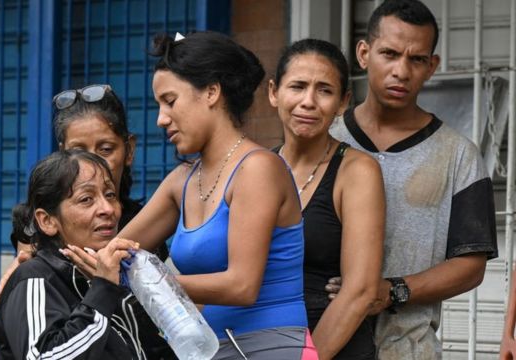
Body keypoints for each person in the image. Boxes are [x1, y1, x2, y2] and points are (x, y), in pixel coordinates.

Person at [105, 31, 313, 359]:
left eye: (170, 101)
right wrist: (34, 255)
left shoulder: (258, 168)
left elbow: (242, 286)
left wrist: (152, 283)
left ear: (212, 92)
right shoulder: (182, 181)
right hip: (210, 349)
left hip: (270, 347)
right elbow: (110, 255)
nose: (161, 119)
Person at [327, 0, 499, 358]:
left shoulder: (459, 155)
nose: (401, 71)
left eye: (416, 59)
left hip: (407, 349)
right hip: (319, 341)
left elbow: (471, 267)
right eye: (389, 54)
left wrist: (392, 290)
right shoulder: (326, 139)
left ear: (432, 66)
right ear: (363, 53)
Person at [0, 85, 168, 320]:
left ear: (129, 150)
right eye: (79, 150)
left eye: (105, 149)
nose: (92, 161)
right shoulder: (34, 225)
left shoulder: (147, 225)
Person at [0, 150, 175, 359]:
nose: (107, 209)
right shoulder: (35, 278)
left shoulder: (117, 275)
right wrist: (103, 289)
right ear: (47, 221)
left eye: (110, 195)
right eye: (86, 199)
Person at [268, 38, 385, 359]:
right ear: (273, 92)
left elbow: (359, 292)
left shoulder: (357, 171)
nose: (308, 101)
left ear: (343, 102)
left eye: (324, 90)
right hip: (260, 344)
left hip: (333, 346)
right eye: (297, 86)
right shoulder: (255, 169)